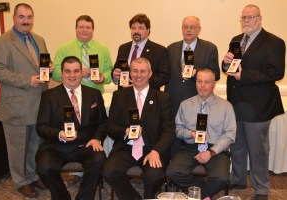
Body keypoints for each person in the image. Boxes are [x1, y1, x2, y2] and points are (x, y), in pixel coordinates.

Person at [0, 3, 54, 198]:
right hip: (17, 106)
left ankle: (33, 175)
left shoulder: (39, 40)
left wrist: (48, 68)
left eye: (29, 17)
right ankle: (21, 181)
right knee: (18, 147)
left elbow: (39, 65)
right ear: (14, 19)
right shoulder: (2, 42)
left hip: (39, 103)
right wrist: (27, 80)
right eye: (21, 17)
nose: (26, 21)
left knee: (35, 144)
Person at [222, 5, 285, 200]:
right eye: (243, 18)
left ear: (259, 19)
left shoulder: (274, 42)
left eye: (250, 17)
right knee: (237, 145)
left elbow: (275, 72)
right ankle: (239, 179)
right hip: (236, 103)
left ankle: (261, 189)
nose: (246, 21)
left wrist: (244, 75)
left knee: (258, 150)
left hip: (258, 106)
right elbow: (230, 68)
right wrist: (225, 63)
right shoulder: (236, 40)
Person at [35, 56, 107, 200]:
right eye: (68, 71)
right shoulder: (48, 96)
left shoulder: (94, 94)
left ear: (82, 73)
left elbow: (103, 122)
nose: (72, 75)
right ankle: (62, 197)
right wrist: (59, 134)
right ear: (61, 74)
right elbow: (41, 127)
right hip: (56, 146)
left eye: (76, 71)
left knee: (99, 160)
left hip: (85, 144)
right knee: (44, 167)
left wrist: (96, 139)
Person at [102, 57, 175, 200]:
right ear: (130, 73)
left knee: (155, 176)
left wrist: (156, 151)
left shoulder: (163, 98)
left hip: (151, 148)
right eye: (135, 71)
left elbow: (169, 131)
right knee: (108, 171)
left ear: (150, 73)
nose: (138, 75)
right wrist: (125, 131)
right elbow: (111, 127)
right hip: (126, 148)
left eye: (143, 71)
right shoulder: (119, 96)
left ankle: (149, 197)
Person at [166, 68, 236, 199]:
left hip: (215, 149)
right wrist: (190, 133)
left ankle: (196, 195)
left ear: (214, 84)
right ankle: (203, 192)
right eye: (199, 81)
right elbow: (177, 129)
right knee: (173, 172)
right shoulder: (185, 105)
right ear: (195, 82)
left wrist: (211, 152)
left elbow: (230, 134)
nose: (202, 86)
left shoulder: (226, 106)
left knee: (221, 178)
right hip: (191, 147)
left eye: (207, 82)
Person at [165, 16, 220, 114]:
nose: (188, 30)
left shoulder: (210, 48)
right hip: (173, 101)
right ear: (182, 29)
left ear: (199, 30)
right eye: (185, 27)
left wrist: (197, 73)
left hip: (197, 100)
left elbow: (216, 74)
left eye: (192, 27)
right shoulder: (170, 48)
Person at [52, 15, 113, 94]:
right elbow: (55, 74)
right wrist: (76, 72)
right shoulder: (64, 48)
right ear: (76, 29)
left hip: (95, 95)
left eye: (88, 27)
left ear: (93, 30)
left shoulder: (103, 49)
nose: (85, 30)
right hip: (70, 95)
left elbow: (109, 71)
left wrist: (103, 78)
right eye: (81, 27)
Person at [112, 13, 170, 90]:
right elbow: (117, 69)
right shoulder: (123, 48)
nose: (136, 31)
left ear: (148, 30)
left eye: (140, 28)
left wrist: (141, 84)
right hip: (124, 96)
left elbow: (164, 76)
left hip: (148, 96)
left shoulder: (159, 50)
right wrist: (115, 75)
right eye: (133, 28)